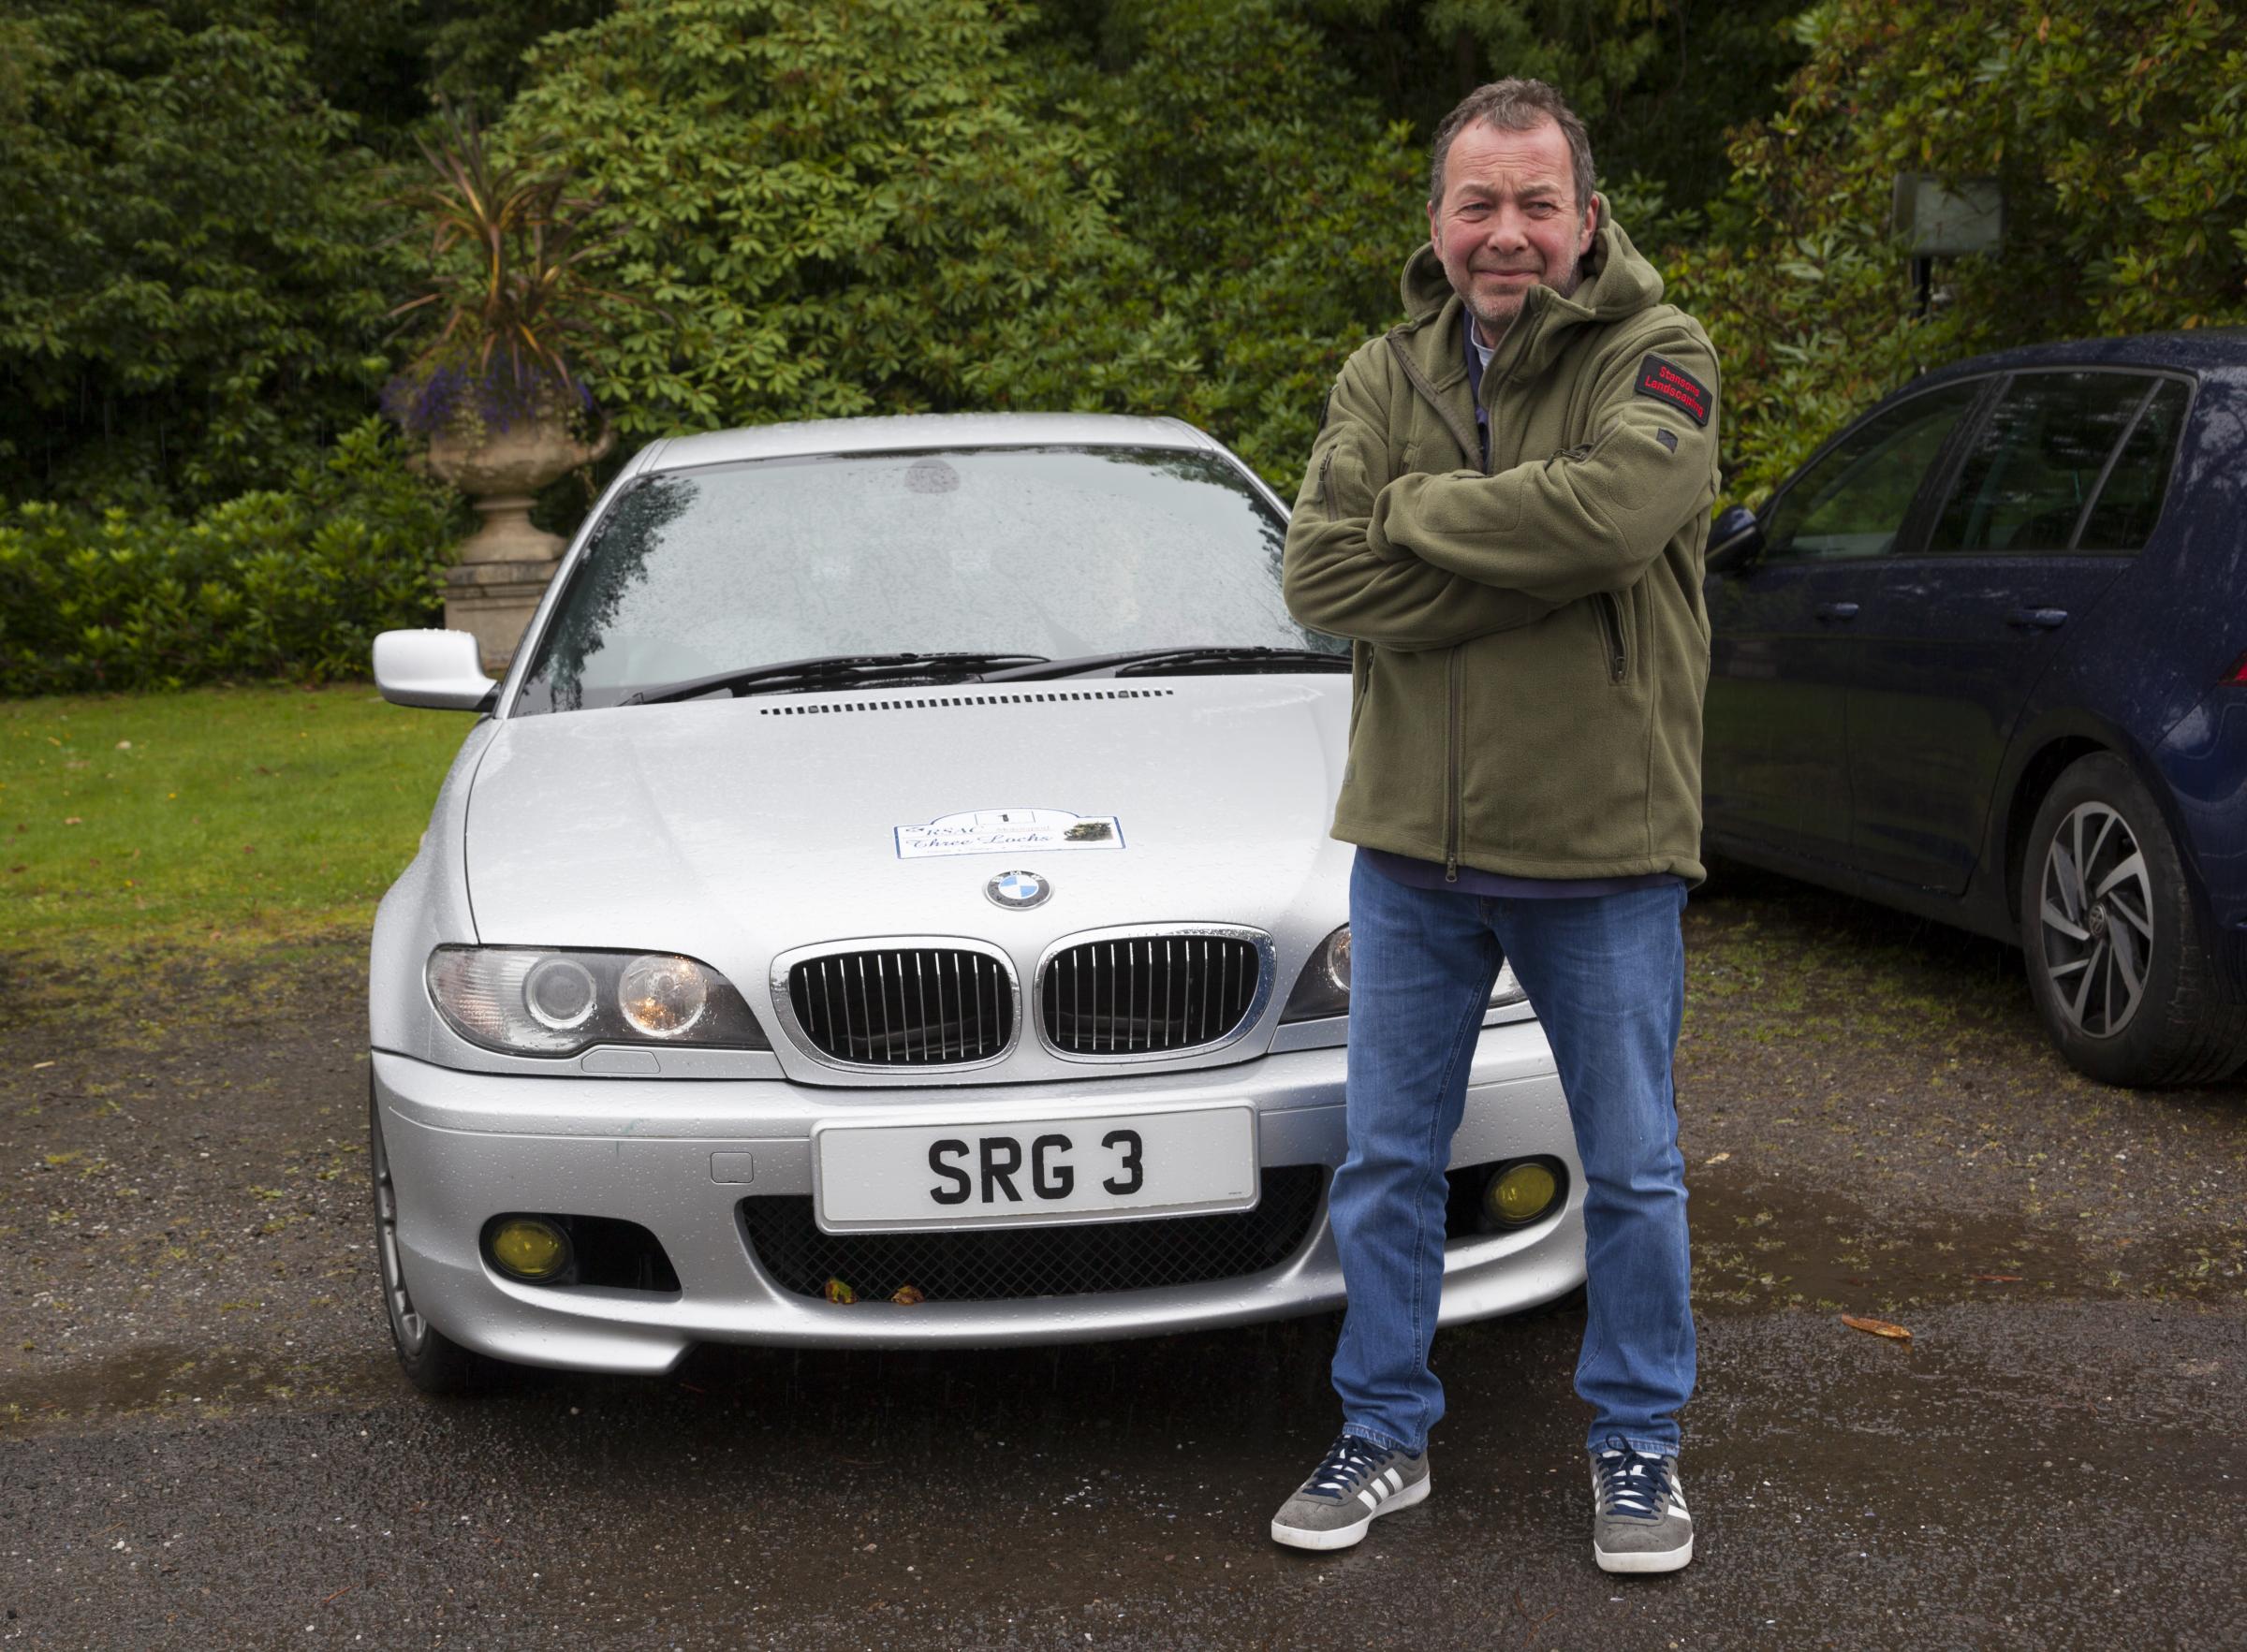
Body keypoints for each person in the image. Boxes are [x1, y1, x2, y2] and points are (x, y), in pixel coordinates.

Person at [1272, 77, 1719, 1574]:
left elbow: (1609, 521)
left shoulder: (1661, 354)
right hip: (1408, 846)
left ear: (1587, 218)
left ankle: (1639, 1442)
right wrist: (1518, 548)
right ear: (1438, 219)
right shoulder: (1378, 370)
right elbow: (1317, 579)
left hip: (1601, 850)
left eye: (1537, 204)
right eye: (1481, 203)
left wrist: (1410, 514)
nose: (1507, 233)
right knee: (1388, 1161)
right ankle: (1382, 1429)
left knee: (1635, 1163)